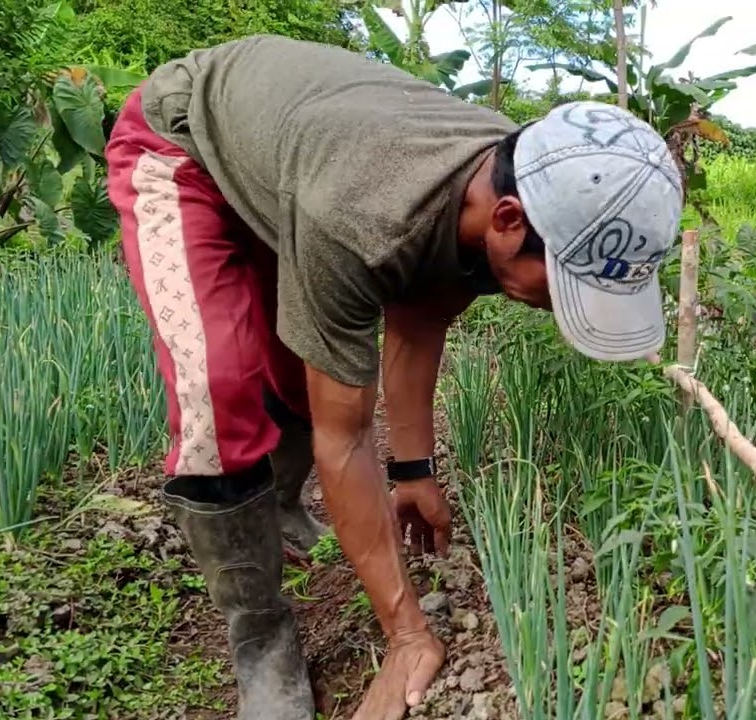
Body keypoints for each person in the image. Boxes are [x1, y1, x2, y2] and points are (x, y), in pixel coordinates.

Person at [103, 33, 684, 720]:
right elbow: (343, 440)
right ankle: (260, 639)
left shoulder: (523, 171)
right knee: (217, 397)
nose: (562, 304)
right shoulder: (361, 217)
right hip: (186, 140)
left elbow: (420, 311)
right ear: (506, 221)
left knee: (297, 376)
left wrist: (413, 470)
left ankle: (281, 508)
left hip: (295, 156)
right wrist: (408, 633)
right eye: (562, 282)